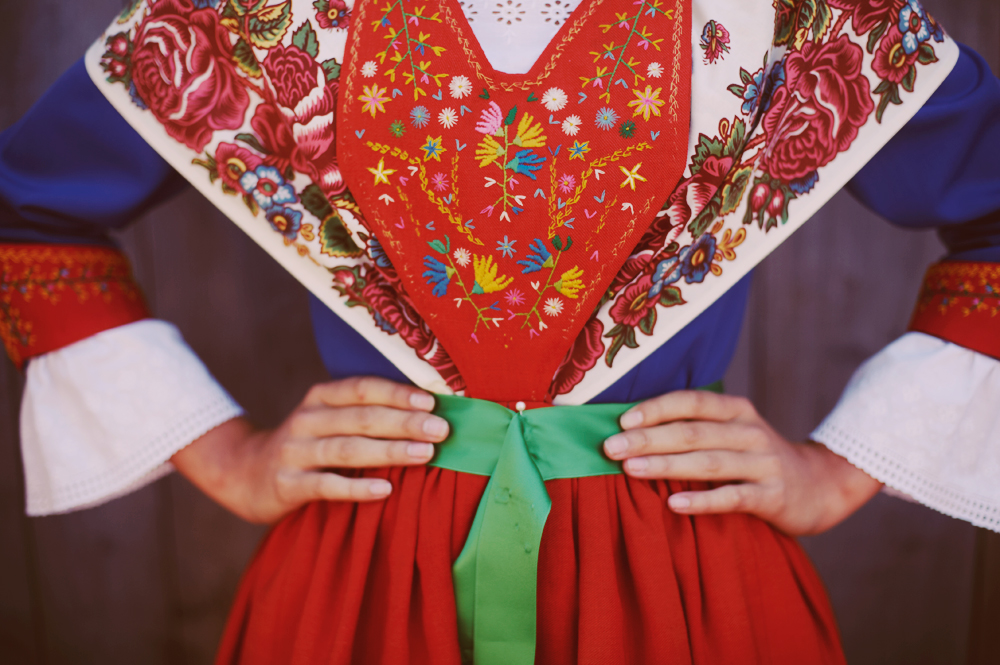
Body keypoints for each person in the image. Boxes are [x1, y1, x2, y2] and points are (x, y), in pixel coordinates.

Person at [1, 0, 998, 662]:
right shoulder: (259, 13)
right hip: (367, 582)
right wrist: (224, 454)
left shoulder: (784, 13)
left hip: (682, 579)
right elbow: (27, 211)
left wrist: (841, 467)